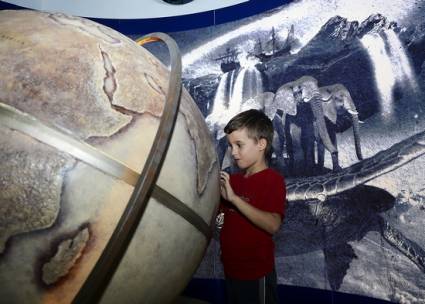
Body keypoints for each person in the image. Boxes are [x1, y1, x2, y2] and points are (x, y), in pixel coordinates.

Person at [219, 109, 286, 304]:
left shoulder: (273, 181)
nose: (234, 152)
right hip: (231, 272)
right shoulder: (234, 180)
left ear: (261, 144)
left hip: (256, 276)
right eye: (231, 146)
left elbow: (273, 225)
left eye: (239, 145)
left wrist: (233, 199)